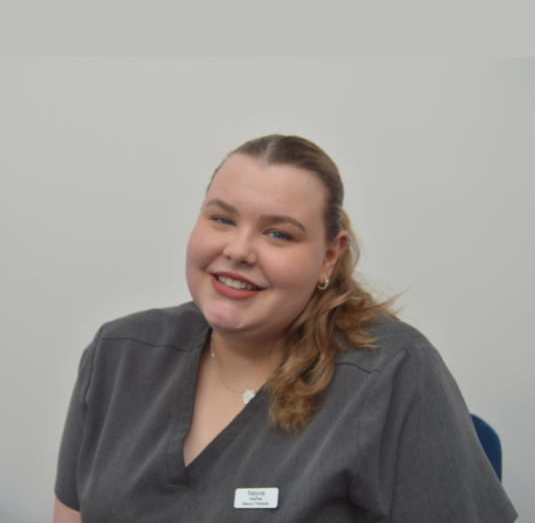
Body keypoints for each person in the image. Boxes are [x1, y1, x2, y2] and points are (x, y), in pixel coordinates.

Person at [53, 135, 517, 522]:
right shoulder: (118, 354)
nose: (239, 250)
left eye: (279, 233)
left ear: (329, 256)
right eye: (222, 219)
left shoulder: (393, 373)